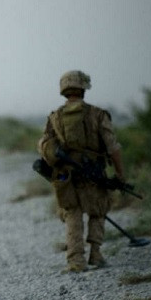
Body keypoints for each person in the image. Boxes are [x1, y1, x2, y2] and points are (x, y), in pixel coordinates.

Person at [37, 70, 125, 273]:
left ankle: (76, 261)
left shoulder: (55, 117)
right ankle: (96, 254)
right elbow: (113, 148)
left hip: (66, 177)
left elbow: (45, 146)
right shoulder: (98, 114)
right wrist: (120, 174)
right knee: (98, 212)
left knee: (72, 216)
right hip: (93, 174)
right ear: (84, 88)